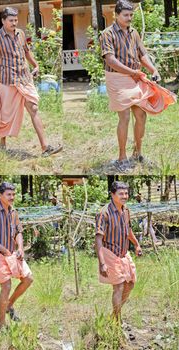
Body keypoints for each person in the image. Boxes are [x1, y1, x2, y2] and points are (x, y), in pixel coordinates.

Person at [100, 0, 176, 172]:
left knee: (141, 115)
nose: (129, 18)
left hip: (135, 77)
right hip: (117, 78)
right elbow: (110, 60)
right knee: (125, 117)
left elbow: (142, 54)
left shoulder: (134, 33)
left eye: (131, 15)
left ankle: (137, 153)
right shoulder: (107, 34)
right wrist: (132, 72)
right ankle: (122, 157)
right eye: (126, 15)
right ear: (116, 15)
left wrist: (153, 69)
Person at [0, 7, 62, 157]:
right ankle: (2, 143)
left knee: (33, 108)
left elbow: (26, 51)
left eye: (16, 20)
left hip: (25, 78)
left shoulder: (20, 34)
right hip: (8, 81)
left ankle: (45, 147)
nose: (14, 23)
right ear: (3, 21)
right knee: (5, 114)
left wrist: (36, 64)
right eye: (11, 20)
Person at [0, 182, 33, 328]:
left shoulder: (13, 212)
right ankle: (2, 323)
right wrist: (3, 250)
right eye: (9, 194)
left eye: (13, 194)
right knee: (6, 285)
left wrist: (21, 248)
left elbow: (18, 232)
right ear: (0, 195)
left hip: (11, 252)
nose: (12, 197)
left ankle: (9, 304)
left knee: (28, 278)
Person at [95, 181, 142, 322]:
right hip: (109, 252)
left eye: (126, 193)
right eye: (121, 193)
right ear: (112, 194)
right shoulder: (104, 213)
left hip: (123, 252)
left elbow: (128, 230)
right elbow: (98, 239)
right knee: (119, 287)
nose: (124, 196)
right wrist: (102, 263)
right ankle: (117, 321)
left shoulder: (126, 210)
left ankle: (114, 315)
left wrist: (137, 245)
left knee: (130, 283)